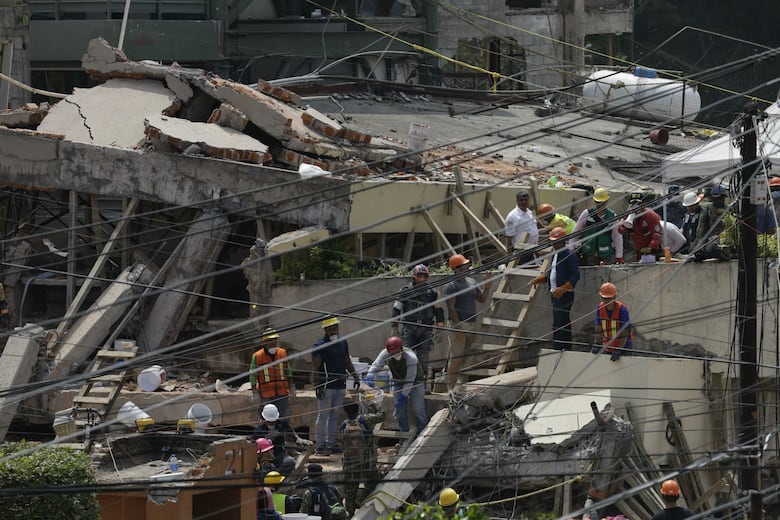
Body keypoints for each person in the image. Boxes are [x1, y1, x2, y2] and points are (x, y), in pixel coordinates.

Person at [311, 316, 360, 456]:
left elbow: (347, 361)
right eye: (330, 329)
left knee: (334, 415)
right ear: (325, 330)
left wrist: (355, 376)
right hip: (326, 386)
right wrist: (317, 385)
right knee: (323, 416)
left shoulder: (343, 342)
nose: (333, 331)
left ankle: (331, 444)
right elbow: (315, 367)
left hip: (340, 385)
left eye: (335, 328)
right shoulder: (319, 346)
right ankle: (320, 446)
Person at [391, 263, 445, 387]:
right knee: (407, 356)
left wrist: (440, 328)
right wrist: (394, 327)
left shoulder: (433, 292)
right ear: (414, 276)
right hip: (409, 329)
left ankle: (422, 385)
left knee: (423, 358)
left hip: (426, 330)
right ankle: (406, 383)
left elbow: (439, 311)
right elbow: (397, 309)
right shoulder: (405, 291)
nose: (422, 278)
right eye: (420, 275)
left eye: (425, 276)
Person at [444, 254, 491, 391]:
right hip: (459, 324)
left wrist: (487, 286)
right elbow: (451, 308)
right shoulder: (451, 286)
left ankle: (461, 386)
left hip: (471, 323)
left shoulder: (471, 282)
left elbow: (481, 299)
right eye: (465, 265)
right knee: (457, 357)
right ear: (457, 268)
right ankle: (451, 388)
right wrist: (458, 328)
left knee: (466, 356)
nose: (468, 267)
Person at [530, 227, 580, 350]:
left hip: (564, 295)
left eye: (556, 241)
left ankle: (560, 347)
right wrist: (540, 279)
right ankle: (562, 347)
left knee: (560, 322)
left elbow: (575, 275)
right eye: (553, 241)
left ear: (563, 241)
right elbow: (553, 273)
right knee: (560, 321)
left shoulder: (568, 255)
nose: (554, 244)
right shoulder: (555, 255)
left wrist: (563, 288)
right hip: (555, 295)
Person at [366, 336, 427, 435]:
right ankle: (404, 434)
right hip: (398, 380)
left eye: (396, 352)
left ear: (401, 348)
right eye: (392, 353)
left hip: (415, 381)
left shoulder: (411, 358)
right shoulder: (385, 353)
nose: (394, 355)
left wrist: (403, 395)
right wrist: (370, 375)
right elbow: (377, 365)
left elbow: (409, 380)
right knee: (399, 411)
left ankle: (423, 434)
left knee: (418, 409)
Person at [339, 396, 385, 515]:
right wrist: (372, 403)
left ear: (345, 411)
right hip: (367, 461)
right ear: (358, 407)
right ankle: (366, 507)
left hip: (350, 463)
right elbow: (382, 415)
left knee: (349, 493)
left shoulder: (343, 425)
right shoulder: (365, 420)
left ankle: (349, 515)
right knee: (372, 484)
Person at [250, 327, 293, 420]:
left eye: (275, 340)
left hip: (282, 392)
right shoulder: (257, 356)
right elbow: (253, 375)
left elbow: (288, 371)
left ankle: (282, 434)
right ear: (265, 342)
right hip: (266, 394)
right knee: (266, 418)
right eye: (270, 340)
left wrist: (292, 387)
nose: (273, 342)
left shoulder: (282, 353)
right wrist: (255, 392)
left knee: (283, 418)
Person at [573, 187, 624, 265]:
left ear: (607, 201)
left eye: (602, 202)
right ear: (594, 201)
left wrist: (619, 256)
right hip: (589, 253)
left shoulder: (612, 216)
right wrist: (571, 249)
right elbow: (575, 233)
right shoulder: (586, 214)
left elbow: (617, 237)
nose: (600, 204)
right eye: (598, 202)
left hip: (606, 254)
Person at [593, 282, 632, 361]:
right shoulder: (600, 308)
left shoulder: (621, 309)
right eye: (604, 298)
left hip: (623, 348)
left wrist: (619, 350)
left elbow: (625, 331)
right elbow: (598, 328)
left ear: (614, 297)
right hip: (608, 347)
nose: (606, 301)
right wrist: (597, 344)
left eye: (609, 298)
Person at [619, 193, 663, 261]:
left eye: (638, 203)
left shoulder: (650, 216)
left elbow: (657, 235)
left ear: (643, 204)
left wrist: (650, 247)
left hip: (652, 252)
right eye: (633, 204)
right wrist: (625, 223)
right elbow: (621, 231)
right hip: (637, 252)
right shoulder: (628, 216)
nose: (636, 206)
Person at [694, 185, 730, 261]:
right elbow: (701, 230)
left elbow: (700, 230)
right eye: (717, 199)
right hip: (714, 241)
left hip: (722, 241)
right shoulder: (708, 210)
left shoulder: (729, 210)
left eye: (719, 198)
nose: (718, 201)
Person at [504, 190, 539, 264]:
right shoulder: (513, 216)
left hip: (532, 250)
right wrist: (509, 257)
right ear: (517, 201)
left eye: (526, 200)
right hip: (520, 252)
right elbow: (509, 239)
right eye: (521, 200)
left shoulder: (529, 213)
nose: (524, 202)